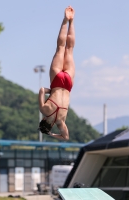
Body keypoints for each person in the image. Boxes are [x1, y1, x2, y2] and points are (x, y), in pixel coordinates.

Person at [38, 6, 75, 140]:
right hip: (57, 81)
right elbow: (42, 89)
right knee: (61, 48)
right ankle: (65, 20)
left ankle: (72, 22)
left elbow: (66, 137)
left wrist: (52, 134)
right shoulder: (44, 110)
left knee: (70, 49)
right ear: (42, 120)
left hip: (68, 84)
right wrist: (51, 91)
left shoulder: (60, 121)